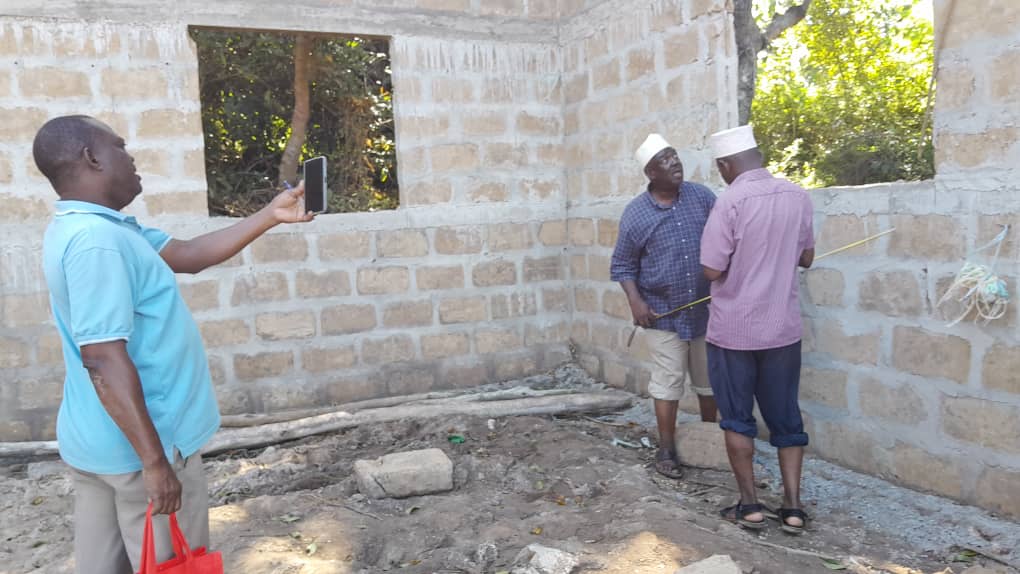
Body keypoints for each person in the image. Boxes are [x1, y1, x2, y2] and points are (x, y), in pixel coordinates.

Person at [34, 114, 315, 574]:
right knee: (172, 565)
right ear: (92, 158)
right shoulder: (97, 242)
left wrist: (272, 214)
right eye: (120, 147)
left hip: (99, 446)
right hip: (145, 449)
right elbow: (102, 359)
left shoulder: (99, 226)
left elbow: (186, 255)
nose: (131, 157)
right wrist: (156, 464)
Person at [700, 125, 814, 535]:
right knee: (787, 418)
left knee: (736, 418)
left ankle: (749, 505)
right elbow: (807, 257)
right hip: (782, 331)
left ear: (726, 165)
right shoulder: (798, 196)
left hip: (733, 333)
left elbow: (712, 268)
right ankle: (793, 507)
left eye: (722, 169)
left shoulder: (729, 202)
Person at [611, 134, 719, 480]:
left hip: (706, 312)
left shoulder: (702, 197)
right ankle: (667, 450)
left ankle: (710, 439)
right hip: (662, 314)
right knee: (667, 383)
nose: (675, 163)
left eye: (675, 156)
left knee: (709, 382)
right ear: (650, 173)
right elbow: (623, 266)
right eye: (665, 160)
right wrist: (636, 302)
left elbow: (725, 241)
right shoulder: (637, 214)